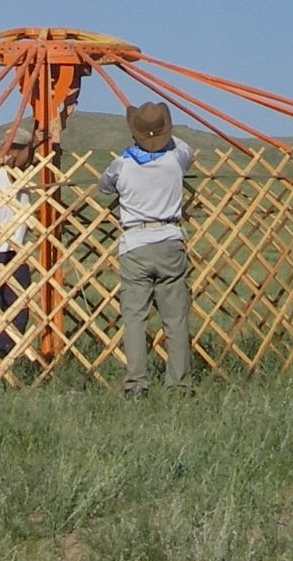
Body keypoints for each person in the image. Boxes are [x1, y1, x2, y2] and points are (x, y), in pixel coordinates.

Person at [96, 102, 195, 396]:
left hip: (135, 245)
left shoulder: (122, 164)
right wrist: (162, 137)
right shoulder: (176, 158)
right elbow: (186, 150)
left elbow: (104, 186)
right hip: (169, 241)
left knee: (135, 319)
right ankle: (178, 385)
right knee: (175, 319)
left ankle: (136, 384)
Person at [0, 135, 36, 370]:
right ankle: (1, 354)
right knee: (14, 305)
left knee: (3, 304)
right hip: (4, 250)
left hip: (9, 248)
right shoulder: (5, 173)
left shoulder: (15, 173)